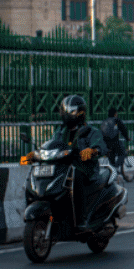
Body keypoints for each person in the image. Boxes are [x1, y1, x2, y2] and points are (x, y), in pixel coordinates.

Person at [45, 95, 108, 228]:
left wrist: (92, 151)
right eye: (65, 111)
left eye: (71, 111)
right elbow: (53, 145)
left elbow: (101, 147)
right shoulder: (60, 131)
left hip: (85, 169)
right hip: (63, 167)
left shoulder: (91, 131)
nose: (67, 114)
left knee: (75, 175)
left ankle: (81, 219)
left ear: (81, 113)